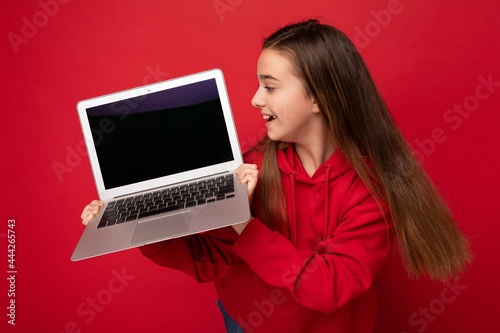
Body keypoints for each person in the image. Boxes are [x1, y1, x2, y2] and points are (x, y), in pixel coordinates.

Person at [81, 19, 471, 333]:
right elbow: (208, 262)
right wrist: (142, 225)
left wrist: (244, 225)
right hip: (243, 323)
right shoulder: (250, 170)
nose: (255, 99)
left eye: (269, 86)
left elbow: (330, 285)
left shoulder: (368, 191)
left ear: (320, 98)